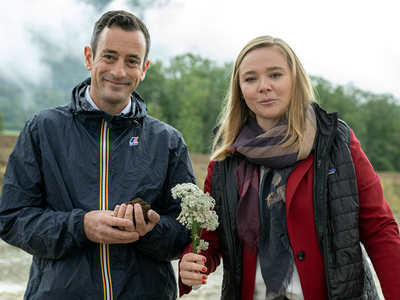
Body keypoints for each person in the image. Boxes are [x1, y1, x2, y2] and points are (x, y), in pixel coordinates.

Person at [178, 36, 400, 300]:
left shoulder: (336, 141)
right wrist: (192, 264)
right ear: (240, 90)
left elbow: (379, 229)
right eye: (250, 79)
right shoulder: (227, 158)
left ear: (294, 80)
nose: (263, 86)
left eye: (275, 74)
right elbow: (210, 239)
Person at [0, 10, 195, 300]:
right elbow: (12, 219)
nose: (119, 71)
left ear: (144, 68)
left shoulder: (168, 141)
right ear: (89, 57)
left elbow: (185, 232)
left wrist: (151, 231)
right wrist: (81, 226)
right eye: (109, 56)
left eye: (132, 61)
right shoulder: (42, 129)